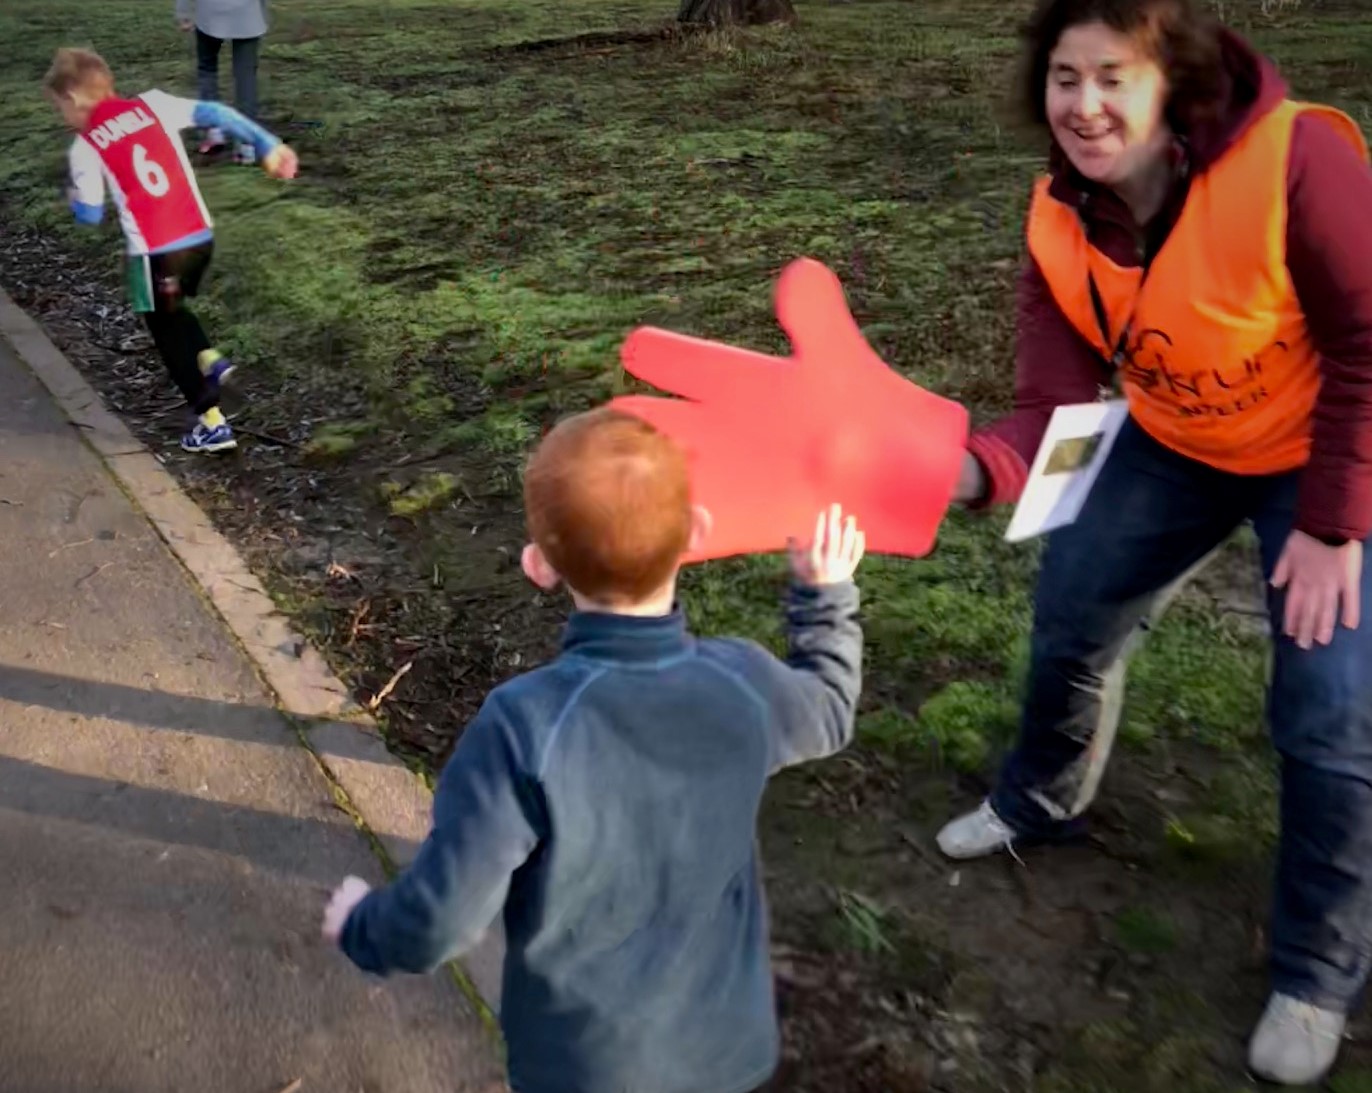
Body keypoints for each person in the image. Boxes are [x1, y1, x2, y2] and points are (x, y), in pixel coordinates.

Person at [930, 0, 1372, 1085]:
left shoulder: (1297, 158)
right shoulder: (1057, 218)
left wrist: (1332, 525)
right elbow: (1052, 408)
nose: (1084, 106)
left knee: (1329, 705)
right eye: (1064, 77)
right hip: (1175, 445)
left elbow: (1368, 341)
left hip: (1324, 452)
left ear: (1172, 82)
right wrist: (969, 471)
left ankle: (1317, 967)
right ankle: (1040, 800)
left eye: (1113, 77)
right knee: (1072, 608)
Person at [321, 408, 866, 1093]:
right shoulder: (745, 683)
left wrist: (360, 925)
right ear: (696, 533)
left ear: (539, 565)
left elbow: (438, 920)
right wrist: (824, 597)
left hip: (582, 1066)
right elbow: (831, 708)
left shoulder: (523, 724)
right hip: (726, 1050)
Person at [44, 47, 298, 454]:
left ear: (72, 98)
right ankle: (209, 358)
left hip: (154, 253)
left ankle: (212, 422)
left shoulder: (85, 146)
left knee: (166, 334)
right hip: (199, 240)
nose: (63, 117)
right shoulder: (154, 104)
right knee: (175, 311)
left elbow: (90, 215)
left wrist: (73, 195)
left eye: (60, 108)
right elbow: (218, 113)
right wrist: (268, 145)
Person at [175, 0, 269, 163]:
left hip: (210, 12)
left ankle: (213, 131)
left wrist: (183, 12)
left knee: (207, 69)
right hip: (248, 14)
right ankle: (246, 146)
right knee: (246, 78)